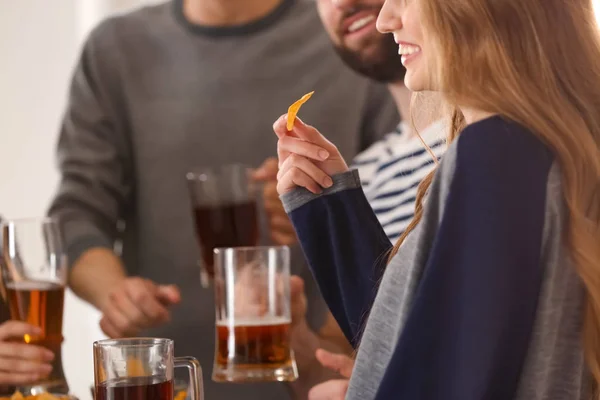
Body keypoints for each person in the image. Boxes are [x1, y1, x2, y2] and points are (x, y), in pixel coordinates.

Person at [48, 0, 398, 398]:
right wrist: (114, 293)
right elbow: (75, 214)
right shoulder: (115, 48)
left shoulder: (352, 31)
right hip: (165, 383)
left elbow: (403, 212)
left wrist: (317, 213)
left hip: (319, 382)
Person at [274, 0, 600, 398]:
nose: (384, 19)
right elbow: (429, 335)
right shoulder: (519, 149)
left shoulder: (496, 155)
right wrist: (331, 209)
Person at [257, 0, 445, 396]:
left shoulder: (495, 140)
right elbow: (363, 356)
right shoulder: (362, 177)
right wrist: (296, 342)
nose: (341, 2)